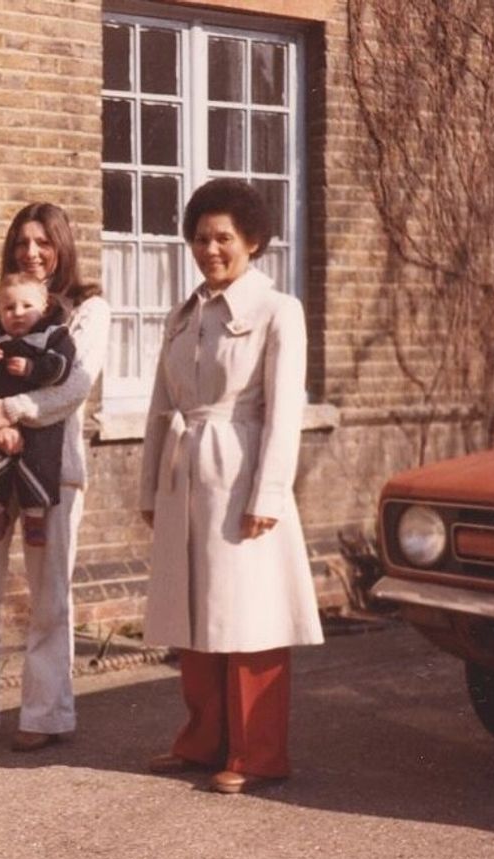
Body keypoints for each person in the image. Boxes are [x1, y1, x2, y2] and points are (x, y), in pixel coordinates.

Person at [139, 179, 323, 795]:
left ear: (252, 241)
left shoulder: (278, 310)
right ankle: (202, 741)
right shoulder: (184, 311)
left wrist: (269, 496)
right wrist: (148, 489)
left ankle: (257, 754)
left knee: (249, 616)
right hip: (184, 474)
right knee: (194, 611)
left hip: (241, 473)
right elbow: (160, 406)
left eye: (223, 237)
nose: (209, 248)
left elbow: (283, 413)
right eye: (199, 237)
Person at [0, 203, 111, 752]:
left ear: (62, 246)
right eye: (22, 243)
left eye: (43, 242)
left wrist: (11, 411)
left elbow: (72, 388)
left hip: (53, 470)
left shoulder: (87, 310)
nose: (32, 253)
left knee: (49, 594)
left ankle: (44, 714)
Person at [0, 272, 76, 547]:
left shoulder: (53, 334)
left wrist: (32, 369)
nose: (17, 313)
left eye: (27, 306)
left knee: (39, 464)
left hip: (37, 418)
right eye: (8, 308)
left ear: (45, 307)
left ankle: (34, 517)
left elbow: (60, 367)